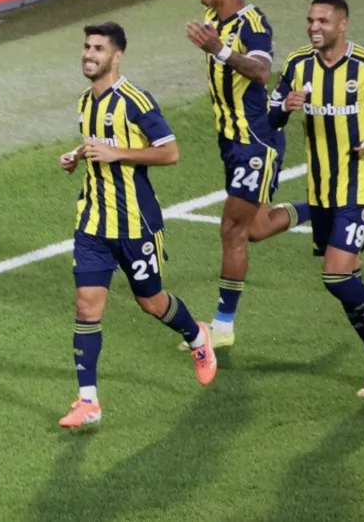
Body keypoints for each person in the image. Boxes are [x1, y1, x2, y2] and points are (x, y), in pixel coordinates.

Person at [158, 0, 309, 349]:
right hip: (232, 140)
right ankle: (323, 208)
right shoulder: (213, 6)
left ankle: (222, 327)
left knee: (232, 229)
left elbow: (262, 71)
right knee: (256, 227)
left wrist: (219, 51)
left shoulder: (251, 24)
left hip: (255, 140)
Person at [58, 22, 217, 429]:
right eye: (86, 46)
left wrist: (119, 154)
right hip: (93, 221)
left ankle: (196, 335)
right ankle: (88, 401)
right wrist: (77, 155)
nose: (88, 54)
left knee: (151, 302)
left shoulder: (135, 101)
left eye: (98, 48)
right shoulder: (85, 101)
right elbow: (98, 141)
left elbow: (170, 152)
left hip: (135, 223)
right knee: (86, 306)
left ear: (117, 56)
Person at [268, 0, 364, 397]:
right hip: (320, 187)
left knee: (336, 274)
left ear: (342, 25)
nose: (314, 27)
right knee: (348, 282)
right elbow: (270, 118)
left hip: (359, 183)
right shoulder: (297, 64)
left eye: (323, 21)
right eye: (311, 20)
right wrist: (285, 107)